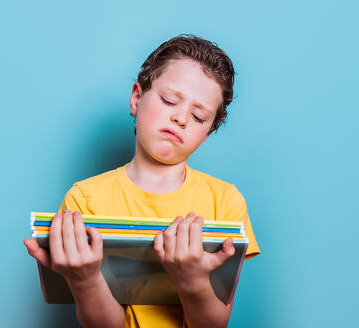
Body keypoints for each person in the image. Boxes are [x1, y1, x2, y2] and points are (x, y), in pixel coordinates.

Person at [24, 34, 260, 328]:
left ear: (207, 133)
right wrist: (85, 280)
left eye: (198, 117)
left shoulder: (225, 201)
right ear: (137, 98)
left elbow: (213, 325)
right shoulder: (85, 198)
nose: (181, 119)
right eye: (169, 100)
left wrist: (193, 281)